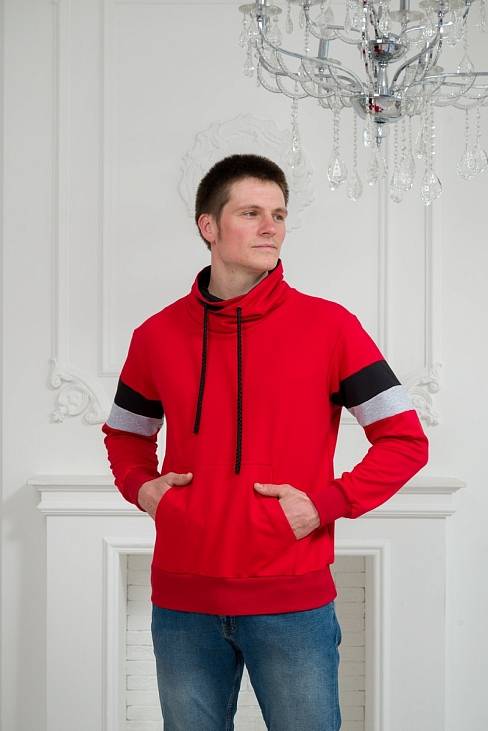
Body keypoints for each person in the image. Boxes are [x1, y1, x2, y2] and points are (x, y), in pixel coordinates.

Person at [102, 153, 429, 730]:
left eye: (278, 214)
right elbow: (126, 435)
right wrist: (142, 488)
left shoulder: (330, 328)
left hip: (292, 600)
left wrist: (324, 505)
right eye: (251, 213)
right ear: (209, 226)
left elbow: (404, 440)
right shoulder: (155, 336)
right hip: (182, 603)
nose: (270, 227)